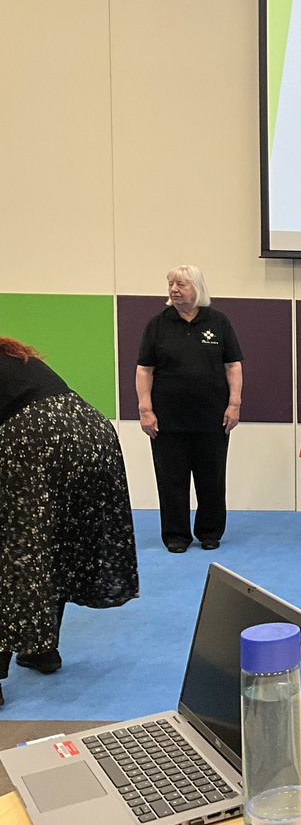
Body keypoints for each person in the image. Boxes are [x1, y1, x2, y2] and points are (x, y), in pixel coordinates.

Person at [0, 337, 139, 709]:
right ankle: (42, 649)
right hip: (90, 429)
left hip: (33, 435)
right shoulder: (13, 355)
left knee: (15, 550)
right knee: (56, 539)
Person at [136, 265, 243, 553]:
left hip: (213, 417)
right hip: (167, 419)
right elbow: (144, 369)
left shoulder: (219, 322)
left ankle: (210, 532)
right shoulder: (157, 324)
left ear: (197, 288)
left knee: (212, 478)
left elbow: (233, 366)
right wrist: (145, 409)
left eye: (181, 284)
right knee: (171, 481)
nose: (174, 289)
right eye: (171, 283)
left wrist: (234, 404)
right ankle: (176, 535)